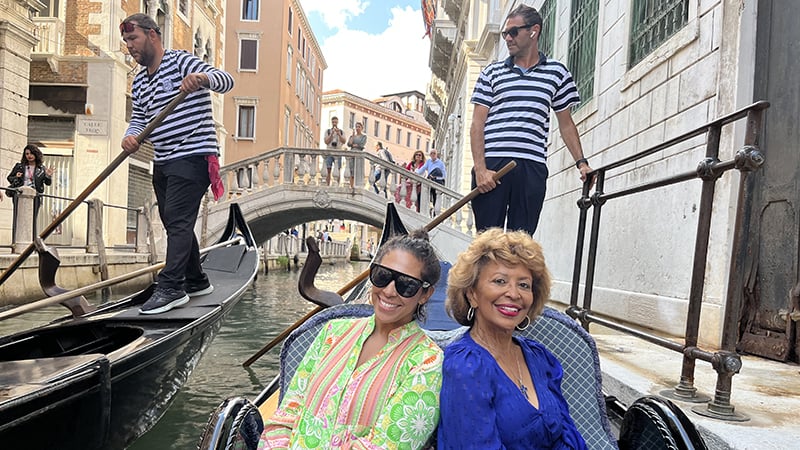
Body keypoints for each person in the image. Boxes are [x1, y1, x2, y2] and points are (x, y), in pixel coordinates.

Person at [259, 230, 444, 449]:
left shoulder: (427, 361)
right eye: (382, 276)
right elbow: (286, 415)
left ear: (425, 294)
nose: (389, 291)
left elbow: (385, 446)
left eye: (406, 285)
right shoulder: (333, 332)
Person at [119, 13, 234, 315]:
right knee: (174, 223)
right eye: (126, 41)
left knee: (179, 221)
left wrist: (203, 78)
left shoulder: (182, 61)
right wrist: (130, 138)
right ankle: (196, 280)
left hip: (194, 155)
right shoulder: (140, 80)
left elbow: (226, 81)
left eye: (133, 39)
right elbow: (140, 120)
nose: (129, 46)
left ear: (152, 35)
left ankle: (171, 287)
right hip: (164, 159)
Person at [437, 228, 587, 449]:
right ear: (472, 294)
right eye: (500, 281)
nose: (514, 294)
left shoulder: (538, 357)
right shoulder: (466, 366)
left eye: (524, 285)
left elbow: (567, 435)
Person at [470, 4, 593, 235]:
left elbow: (566, 123)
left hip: (531, 168)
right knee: (486, 244)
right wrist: (480, 169)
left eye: (513, 32)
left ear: (533, 31)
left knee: (521, 244)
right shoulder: (491, 73)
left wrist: (582, 162)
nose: (507, 38)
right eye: (505, 33)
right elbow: (477, 124)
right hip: (493, 166)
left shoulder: (557, 73)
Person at [6, 144, 53, 234]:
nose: (29, 156)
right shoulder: (19, 166)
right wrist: (16, 176)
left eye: (31, 153)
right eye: (27, 154)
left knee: (32, 219)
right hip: (20, 195)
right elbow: (9, 178)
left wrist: (48, 175)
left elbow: (48, 183)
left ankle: (32, 242)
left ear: (36, 154)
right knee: (18, 218)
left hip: (35, 196)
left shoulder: (42, 169)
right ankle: (15, 241)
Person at [415, 148, 446, 213]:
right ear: (430, 155)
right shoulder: (428, 162)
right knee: (422, 195)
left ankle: (435, 214)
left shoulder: (441, 163)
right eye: (431, 153)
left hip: (437, 182)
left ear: (436, 154)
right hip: (429, 181)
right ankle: (421, 211)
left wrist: (435, 177)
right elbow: (422, 169)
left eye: (434, 153)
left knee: (435, 198)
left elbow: (443, 175)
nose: (433, 155)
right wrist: (415, 172)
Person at [324, 116, 345, 185]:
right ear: (331, 122)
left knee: (338, 169)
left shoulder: (341, 132)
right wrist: (331, 134)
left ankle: (337, 184)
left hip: (338, 151)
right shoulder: (328, 131)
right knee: (328, 168)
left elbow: (344, 141)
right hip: (330, 151)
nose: (334, 123)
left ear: (337, 122)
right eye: (333, 122)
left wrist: (338, 134)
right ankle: (327, 184)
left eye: (335, 122)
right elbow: (326, 142)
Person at [346, 122, 367, 189]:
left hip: (359, 155)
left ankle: (357, 186)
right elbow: (349, 144)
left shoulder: (364, 137)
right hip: (352, 154)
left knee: (358, 171)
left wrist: (356, 145)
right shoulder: (352, 137)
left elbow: (362, 144)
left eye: (359, 127)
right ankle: (351, 186)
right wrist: (352, 136)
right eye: (356, 127)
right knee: (351, 170)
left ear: (362, 128)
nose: (357, 128)